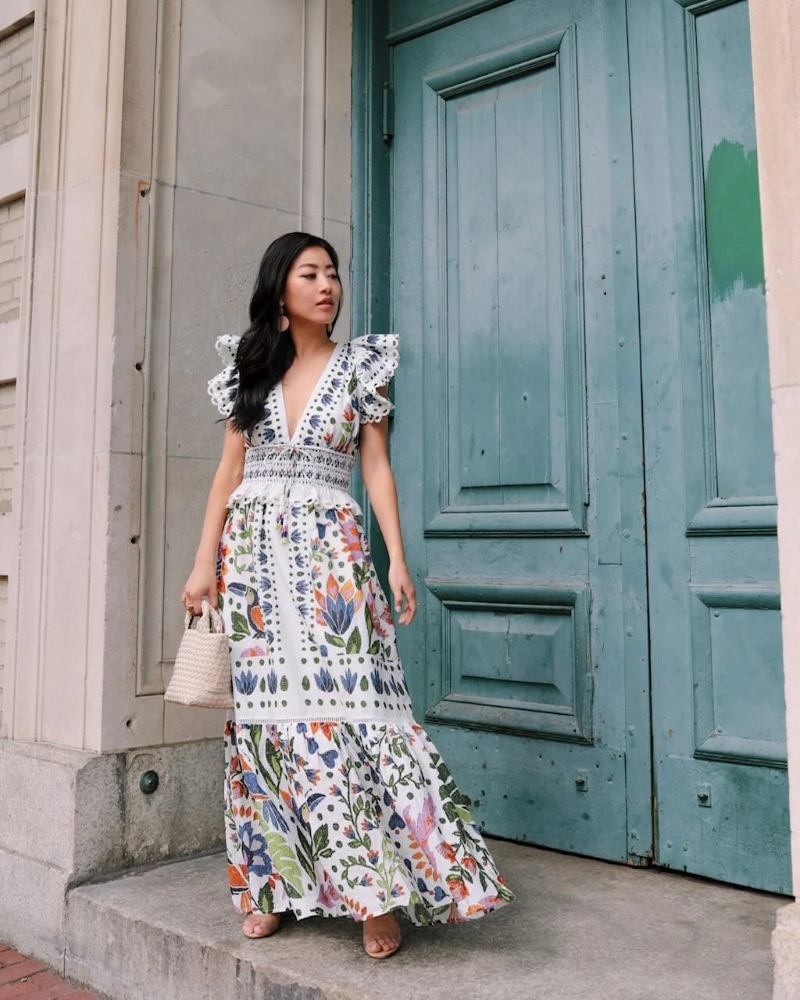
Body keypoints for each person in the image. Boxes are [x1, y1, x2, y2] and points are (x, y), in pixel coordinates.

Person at [182, 232, 513, 959]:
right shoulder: (249, 370)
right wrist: (203, 562)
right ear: (280, 288)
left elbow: (377, 468)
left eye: (333, 273)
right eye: (311, 273)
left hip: (334, 561)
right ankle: (271, 886)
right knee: (267, 731)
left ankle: (374, 894)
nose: (328, 284)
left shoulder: (361, 367)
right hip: (254, 567)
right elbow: (227, 474)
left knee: (354, 714)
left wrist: (396, 556)